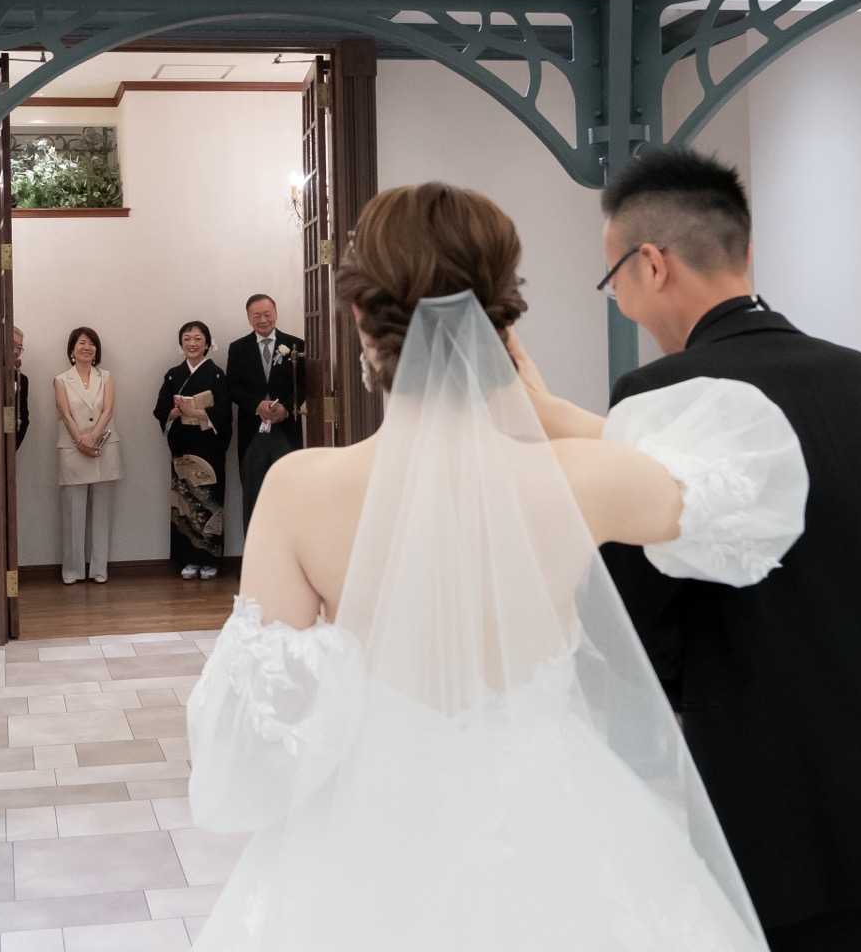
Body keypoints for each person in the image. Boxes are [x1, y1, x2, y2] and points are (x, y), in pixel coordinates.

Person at [185, 182, 811, 951]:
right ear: (505, 321)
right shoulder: (580, 477)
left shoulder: (300, 490)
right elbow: (750, 486)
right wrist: (555, 416)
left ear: (359, 317)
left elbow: (256, 735)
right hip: (550, 822)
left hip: (370, 833)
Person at [564, 147, 861, 951]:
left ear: (651, 264)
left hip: (785, 823)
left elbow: (630, 627)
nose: (622, 302)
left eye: (613, 281)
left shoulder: (658, 398)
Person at [154, 321, 234, 580]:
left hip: (209, 448)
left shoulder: (217, 375)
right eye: (187, 338)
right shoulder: (172, 375)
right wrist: (174, 413)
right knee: (183, 502)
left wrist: (196, 413)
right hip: (182, 446)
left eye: (198, 338)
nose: (192, 343)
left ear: (207, 343)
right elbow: (160, 410)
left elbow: (224, 413)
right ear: (181, 343)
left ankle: (210, 559)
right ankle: (187, 558)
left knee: (209, 501)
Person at [226, 294, 306, 528]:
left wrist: (287, 409)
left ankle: (291, 546)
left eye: (267, 314)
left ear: (276, 314)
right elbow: (233, 386)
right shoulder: (238, 348)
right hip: (253, 431)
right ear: (249, 318)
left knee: (291, 489)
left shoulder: (296, 345)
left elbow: (304, 384)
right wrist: (256, 405)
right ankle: (254, 548)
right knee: (253, 493)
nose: (263, 320)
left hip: (286, 430)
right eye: (257, 315)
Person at [53, 326, 121, 584]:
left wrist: (92, 438)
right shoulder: (61, 380)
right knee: (73, 514)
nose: (87, 347)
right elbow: (65, 413)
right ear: (72, 349)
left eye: (91, 343)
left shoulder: (106, 376)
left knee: (102, 514)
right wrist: (79, 440)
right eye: (82, 343)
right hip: (73, 449)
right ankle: (72, 571)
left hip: (103, 446)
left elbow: (108, 409)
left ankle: (99, 570)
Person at [12, 326, 30, 450]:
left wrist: (11, 448)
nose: (16, 351)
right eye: (13, 345)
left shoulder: (21, 380)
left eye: (19, 348)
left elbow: (23, 419)